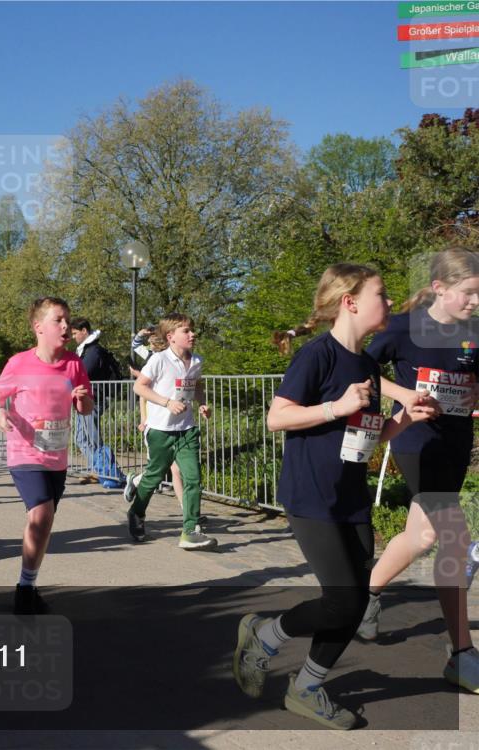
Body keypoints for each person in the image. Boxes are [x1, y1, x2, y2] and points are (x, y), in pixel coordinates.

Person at [232, 264, 434, 730]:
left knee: (356, 602)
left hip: (351, 496)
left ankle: (306, 687)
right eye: (381, 294)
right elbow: (277, 418)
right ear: (350, 302)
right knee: (342, 600)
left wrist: (406, 419)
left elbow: (367, 434)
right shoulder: (316, 355)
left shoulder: (368, 366)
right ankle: (264, 635)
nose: (389, 302)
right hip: (311, 496)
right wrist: (336, 406)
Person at [352, 247, 479, 692]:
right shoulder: (404, 327)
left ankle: (366, 594)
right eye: (469, 293)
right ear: (440, 288)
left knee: (421, 536)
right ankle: (462, 654)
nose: (476, 302)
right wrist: (403, 394)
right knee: (452, 539)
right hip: (414, 440)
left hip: (455, 443)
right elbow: (361, 367)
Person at [0, 297, 93, 615]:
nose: (66, 326)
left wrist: (82, 399)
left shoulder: (74, 364)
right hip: (24, 451)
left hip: (56, 456)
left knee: (44, 522)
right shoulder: (19, 363)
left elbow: (86, 408)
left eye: (68, 320)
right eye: (58, 320)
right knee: (41, 514)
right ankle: (24, 592)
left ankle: (28, 584)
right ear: (38, 327)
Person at [123, 315, 216, 549]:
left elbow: (196, 385)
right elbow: (139, 386)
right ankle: (136, 512)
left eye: (192, 330)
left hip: (187, 429)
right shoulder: (159, 360)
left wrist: (203, 403)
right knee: (154, 476)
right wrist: (166, 403)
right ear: (171, 336)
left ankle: (190, 531)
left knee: (193, 479)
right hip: (160, 430)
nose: (192, 334)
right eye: (186, 331)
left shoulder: (196, 360)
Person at [70, 319, 125, 488]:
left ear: (84, 331)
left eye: (75, 333)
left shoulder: (94, 351)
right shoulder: (87, 349)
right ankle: (99, 469)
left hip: (94, 400)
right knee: (81, 438)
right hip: (86, 399)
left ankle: (109, 473)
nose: (73, 337)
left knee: (92, 439)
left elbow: (82, 373)